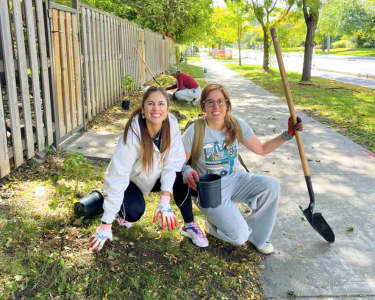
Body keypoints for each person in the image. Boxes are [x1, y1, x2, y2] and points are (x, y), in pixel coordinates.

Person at [181, 84, 303, 254]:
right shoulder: (195, 130)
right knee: (239, 237)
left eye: (220, 101)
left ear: (228, 104)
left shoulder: (236, 124)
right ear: (203, 106)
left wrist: (287, 135)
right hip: (210, 191)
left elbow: (262, 149)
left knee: (271, 185)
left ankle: (258, 237)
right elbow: (179, 163)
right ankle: (213, 225)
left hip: (237, 180)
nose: (216, 107)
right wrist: (186, 172)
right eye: (210, 102)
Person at [89, 86, 208, 251]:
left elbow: (172, 163)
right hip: (133, 182)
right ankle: (117, 209)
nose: (156, 108)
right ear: (143, 109)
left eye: (161, 104)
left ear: (167, 109)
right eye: (150, 104)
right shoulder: (132, 135)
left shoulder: (171, 125)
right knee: (133, 212)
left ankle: (189, 225)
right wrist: (106, 224)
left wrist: (165, 200)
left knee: (181, 176)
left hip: (156, 176)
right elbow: (117, 175)